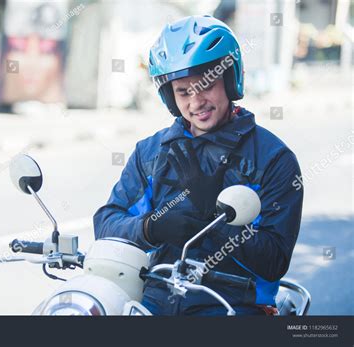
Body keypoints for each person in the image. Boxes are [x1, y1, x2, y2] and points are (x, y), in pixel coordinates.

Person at [93, 15, 303, 316]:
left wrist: (211, 218)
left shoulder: (273, 159)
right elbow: (106, 224)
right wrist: (151, 228)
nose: (196, 102)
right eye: (183, 91)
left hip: (233, 305)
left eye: (206, 85)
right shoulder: (152, 153)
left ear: (230, 80)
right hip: (153, 298)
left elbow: (274, 260)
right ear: (169, 96)